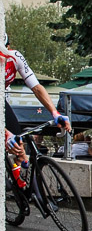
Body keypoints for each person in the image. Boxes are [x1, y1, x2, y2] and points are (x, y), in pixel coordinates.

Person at [1, 32, 71, 161]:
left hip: (2, 100)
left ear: (8, 48)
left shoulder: (15, 57)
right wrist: (5, 133)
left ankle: (21, 177)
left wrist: (54, 113)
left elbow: (37, 88)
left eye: (3, 52)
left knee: (19, 146)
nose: (2, 58)